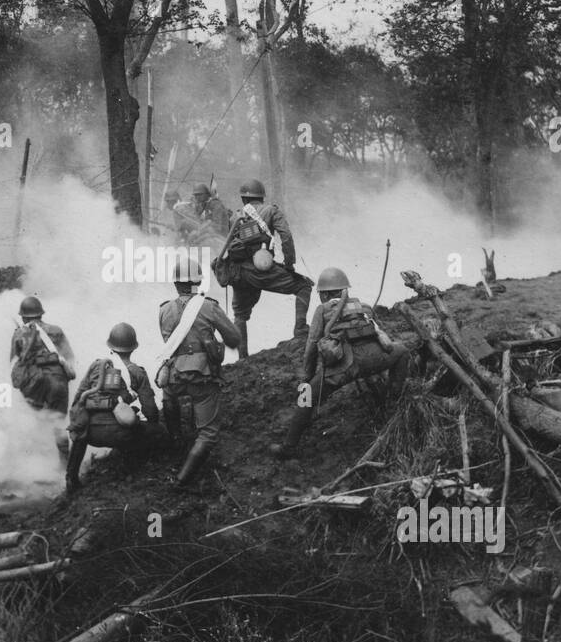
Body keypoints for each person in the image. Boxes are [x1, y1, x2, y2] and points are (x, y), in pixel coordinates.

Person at [269, 267, 410, 459]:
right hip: (376, 358)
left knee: (307, 395)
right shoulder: (363, 306)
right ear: (345, 290)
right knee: (402, 351)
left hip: (348, 365)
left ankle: (289, 447)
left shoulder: (323, 310)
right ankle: (394, 399)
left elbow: (311, 346)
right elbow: (379, 334)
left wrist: (307, 377)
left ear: (325, 294)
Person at [157, 256, 240, 490]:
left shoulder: (164, 310)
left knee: (171, 401)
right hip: (202, 376)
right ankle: (182, 480)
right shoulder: (208, 306)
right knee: (209, 433)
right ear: (197, 283)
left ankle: (176, 446)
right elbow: (234, 338)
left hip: (173, 377)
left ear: (176, 284)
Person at [212, 179, 313, 356]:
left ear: (244, 199)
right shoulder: (272, 211)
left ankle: (242, 359)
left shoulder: (236, 216)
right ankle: (300, 331)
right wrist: (289, 264)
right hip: (261, 269)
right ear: (262, 196)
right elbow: (286, 236)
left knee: (240, 315)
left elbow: (229, 243)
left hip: (240, 273)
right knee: (303, 286)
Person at [63, 322, 162, 493]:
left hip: (87, 434)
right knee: (155, 430)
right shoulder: (138, 372)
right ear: (133, 348)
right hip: (118, 435)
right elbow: (151, 412)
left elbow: (78, 399)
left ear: (111, 346)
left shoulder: (96, 367)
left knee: (82, 427)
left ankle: (71, 478)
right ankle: (131, 469)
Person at [9, 296, 76, 457]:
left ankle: (40, 459)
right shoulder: (56, 330)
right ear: (41, 314)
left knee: (35, 417)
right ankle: (64, 464)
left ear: (23, 316)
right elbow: (69, 356)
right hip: (58, 381)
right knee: (59, 424)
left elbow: (14, 363)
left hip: (34, 384)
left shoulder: (19, 334)